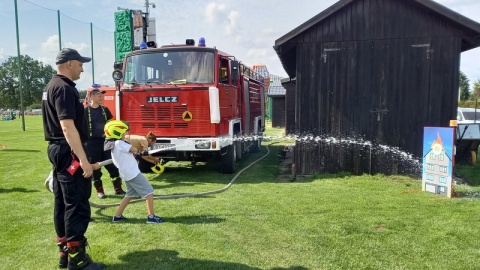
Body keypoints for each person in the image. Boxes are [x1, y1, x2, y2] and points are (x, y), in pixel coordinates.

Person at [42, 48, 106, 270]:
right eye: (80, 64)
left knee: (62, 202)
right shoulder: (64, 88)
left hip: (58, 149)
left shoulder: (51, 85)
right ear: (69, 64)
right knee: (77, 203)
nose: (82, 68)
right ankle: (77, 259)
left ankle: (64, 253)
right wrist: (83, 159)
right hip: (68, 151)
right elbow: (67, 127)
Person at [103, 120, 164, 224]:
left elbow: (128, 154)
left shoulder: (115, 144)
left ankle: (117, 216)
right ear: (117, 133)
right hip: (132, 174)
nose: (126, 134)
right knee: (149, 192)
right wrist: (140, 152)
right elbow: (134, 149)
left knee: (129, 194)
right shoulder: (120, 143)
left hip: (126, 174)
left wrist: (137, 154)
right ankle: (151, 217)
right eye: (124, 132)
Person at [85, 88, 125, 198]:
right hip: (92, 144)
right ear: (92, 96)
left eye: (102, 95)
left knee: (112, 165)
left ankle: (118, 189)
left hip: (106, 142)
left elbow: (111, 125)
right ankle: (100, 191)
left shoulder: (105, 110)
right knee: (96, 168)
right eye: (99, 95)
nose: (101, 97)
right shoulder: (85, 111)